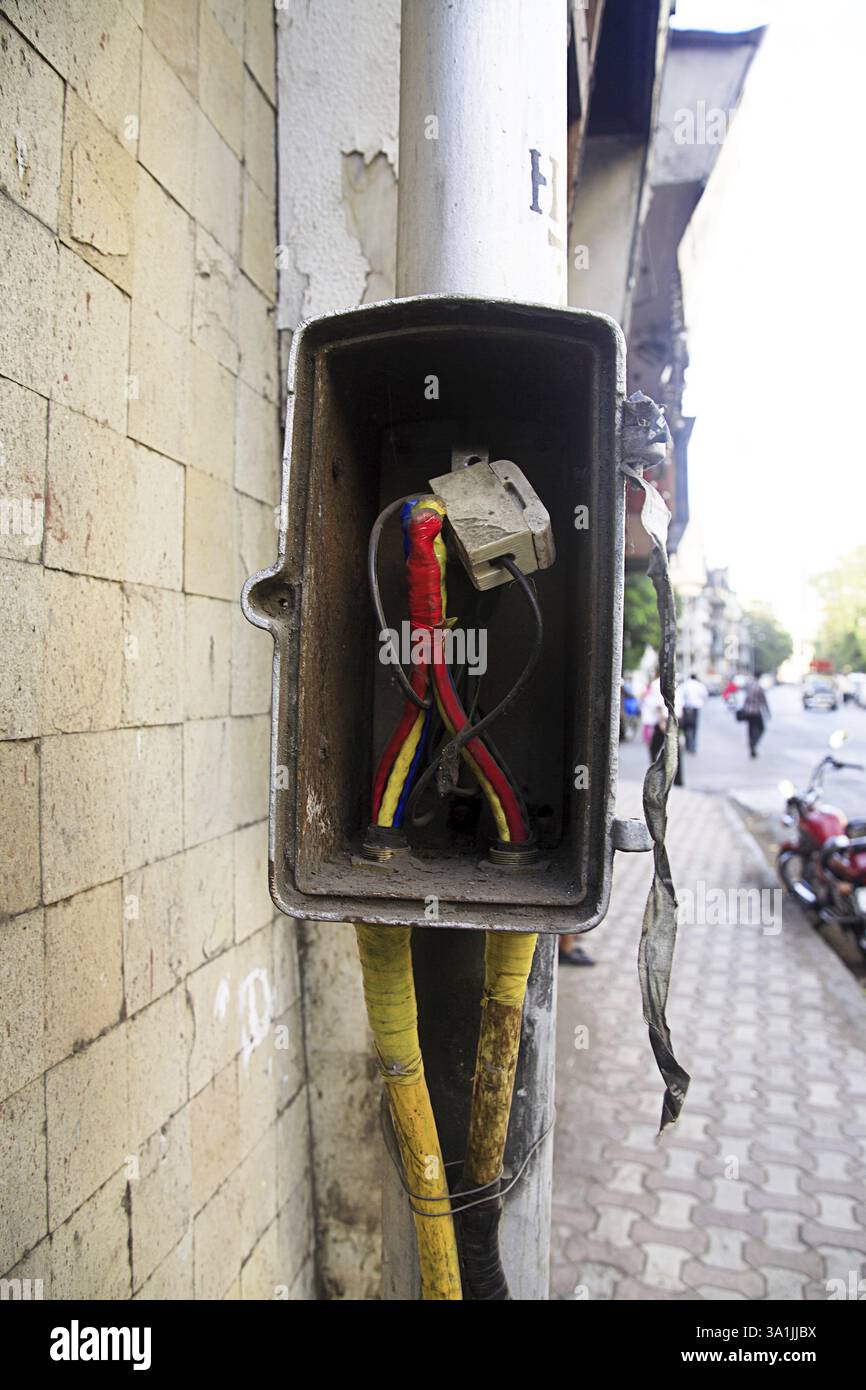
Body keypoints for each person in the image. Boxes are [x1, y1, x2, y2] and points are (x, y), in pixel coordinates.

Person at [742, 673, 770, 757]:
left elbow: (745, 699)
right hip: (756, 712)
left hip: (748, 712)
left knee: (750, 730)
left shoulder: (748, 686)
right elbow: (764, 701)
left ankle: (751, 745)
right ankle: (753, 744)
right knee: (761, 729)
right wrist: (768, 712)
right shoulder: (759, 688)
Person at [679, 671, 708, 753]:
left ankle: (688, 744)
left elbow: (680, 695)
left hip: (686, 708)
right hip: (695, 708)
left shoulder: (685, 685)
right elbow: (705, 694)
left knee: (686, 726)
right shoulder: (699, 685)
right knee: (694, 727)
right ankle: (693, 745)